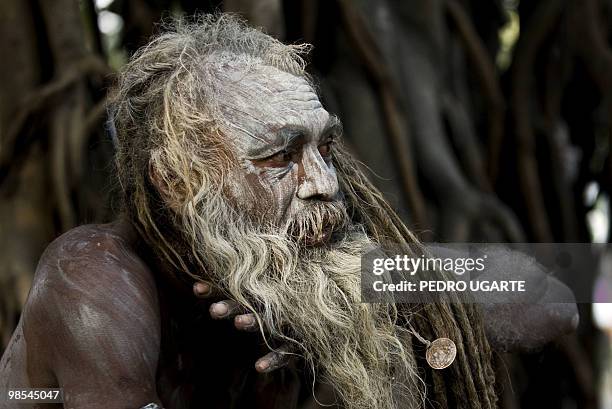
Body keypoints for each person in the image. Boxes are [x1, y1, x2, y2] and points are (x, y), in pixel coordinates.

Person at [0, 14, 577, 409]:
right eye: (279, 157)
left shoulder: (297, 270)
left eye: (325, 148)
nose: (324, 184)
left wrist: (386, 286)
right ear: (177, 180)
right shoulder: (93, 283)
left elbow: (556, 303)